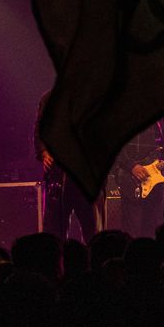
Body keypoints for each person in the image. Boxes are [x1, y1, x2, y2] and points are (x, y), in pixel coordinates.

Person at [36, 89, 97, 243]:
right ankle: (56, 261)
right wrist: (44, 152)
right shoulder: (49, 99)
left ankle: (92, 260)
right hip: (58, 176)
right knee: (55, 230)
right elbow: (39, 130)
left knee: (91, 229)